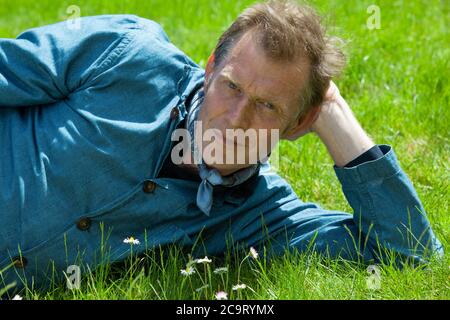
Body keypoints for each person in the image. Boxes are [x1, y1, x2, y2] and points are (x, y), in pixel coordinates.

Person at [0, 0, 442, 293]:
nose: (236, 120)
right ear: (210, 68)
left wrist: (335, 118)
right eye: (231, 87)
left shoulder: (261, 216)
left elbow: (409, 253)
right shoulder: (125, 52)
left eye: (268, 105)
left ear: (300, 122)